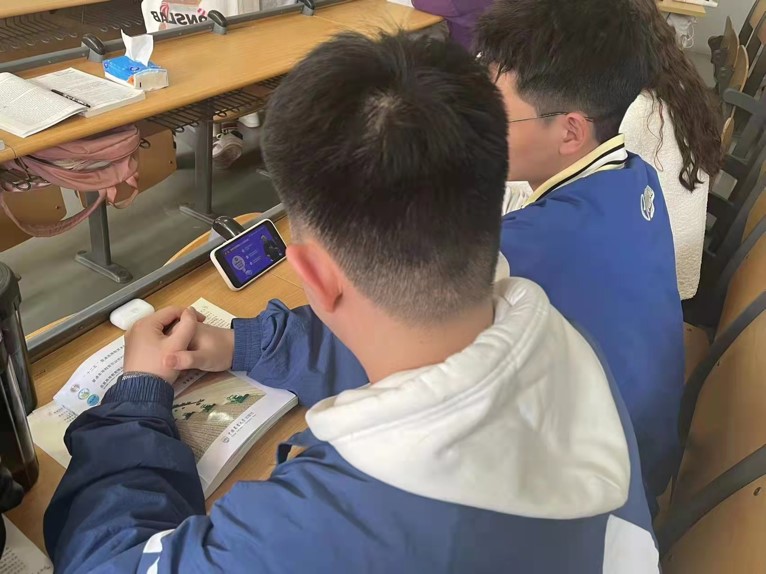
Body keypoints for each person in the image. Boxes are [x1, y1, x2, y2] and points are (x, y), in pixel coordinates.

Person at [44, 32, 659, 573]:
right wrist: (245, 343)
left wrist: (137, 399)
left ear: (312, 273)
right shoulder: (557, 335)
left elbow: (106, 563)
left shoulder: (320, 527)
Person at [150, 0, 685, 509]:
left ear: (570, 130)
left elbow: (394, 336)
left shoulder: (531, 249)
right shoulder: (633, 180)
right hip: (633, 464)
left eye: (498, 110)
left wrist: (243, 343)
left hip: (597, 484)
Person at [504, 0, 722, 300]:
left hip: (658, 281)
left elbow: (575, 192)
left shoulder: (635, 113)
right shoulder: (675, 82)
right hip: (659, 257)